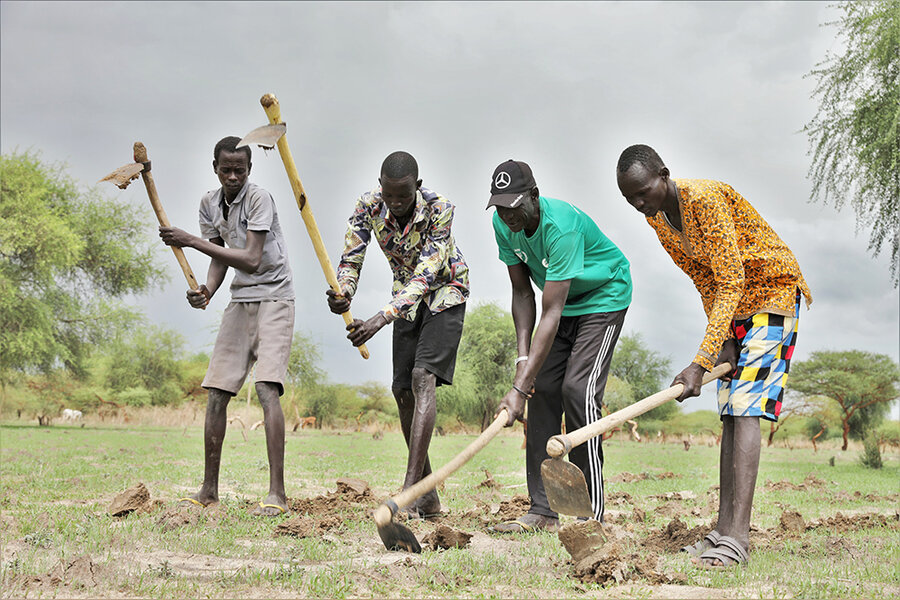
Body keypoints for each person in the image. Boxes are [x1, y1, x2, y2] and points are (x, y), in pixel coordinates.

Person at [615, 144, 812, 567]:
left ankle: (737, 539)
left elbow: (730, 277)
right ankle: (722, 532)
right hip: (734, 305)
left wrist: (700, 360)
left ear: (665, 175)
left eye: (643, 192)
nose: (639, 204)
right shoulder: (660, 221)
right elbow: (704, 280)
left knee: (745, 408)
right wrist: (722, 340)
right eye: (630, 199)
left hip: (771, 294)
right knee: (729, 412)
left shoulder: (704, 199)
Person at [488, 159, 632, 532]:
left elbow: (550, 312)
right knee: (543, 390)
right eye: (500, 207)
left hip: (602, 298)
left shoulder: (561, 226)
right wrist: (525, 367)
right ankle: (544, 510)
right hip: (563, 304)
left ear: (533, 196)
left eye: (514, 205)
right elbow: (522, 292)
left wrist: (517, 387)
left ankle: (591, 514)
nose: (507, 215)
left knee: (577, 390)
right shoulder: (503, 225)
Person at [326, 151, 468, 518]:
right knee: (401, 389)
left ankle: (408, 492)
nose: (396, 203)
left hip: (444, 291)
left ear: (417, 187)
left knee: (423, 378)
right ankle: (428, 494)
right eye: (389, 195)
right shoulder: (368, 206)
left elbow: (426, 274)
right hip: (404, 296)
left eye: (404, 196)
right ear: (381, 188)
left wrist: (378, 319)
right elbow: (351, 256)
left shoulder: (441, 209)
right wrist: (344, 292)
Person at [159, 136, 295, 516]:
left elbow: (251, 258)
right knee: (217, 392)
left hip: (275, 297)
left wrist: (190, 240)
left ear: (249, 170)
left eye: (240, 170)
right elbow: (221, 257)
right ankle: (208, 490)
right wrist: (208, 290)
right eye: (226, 169)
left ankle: (277, 495)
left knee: (268, 389)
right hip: (240, 300)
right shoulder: (209, 203)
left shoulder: (259, 199)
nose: (233, 176)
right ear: (215, 168)